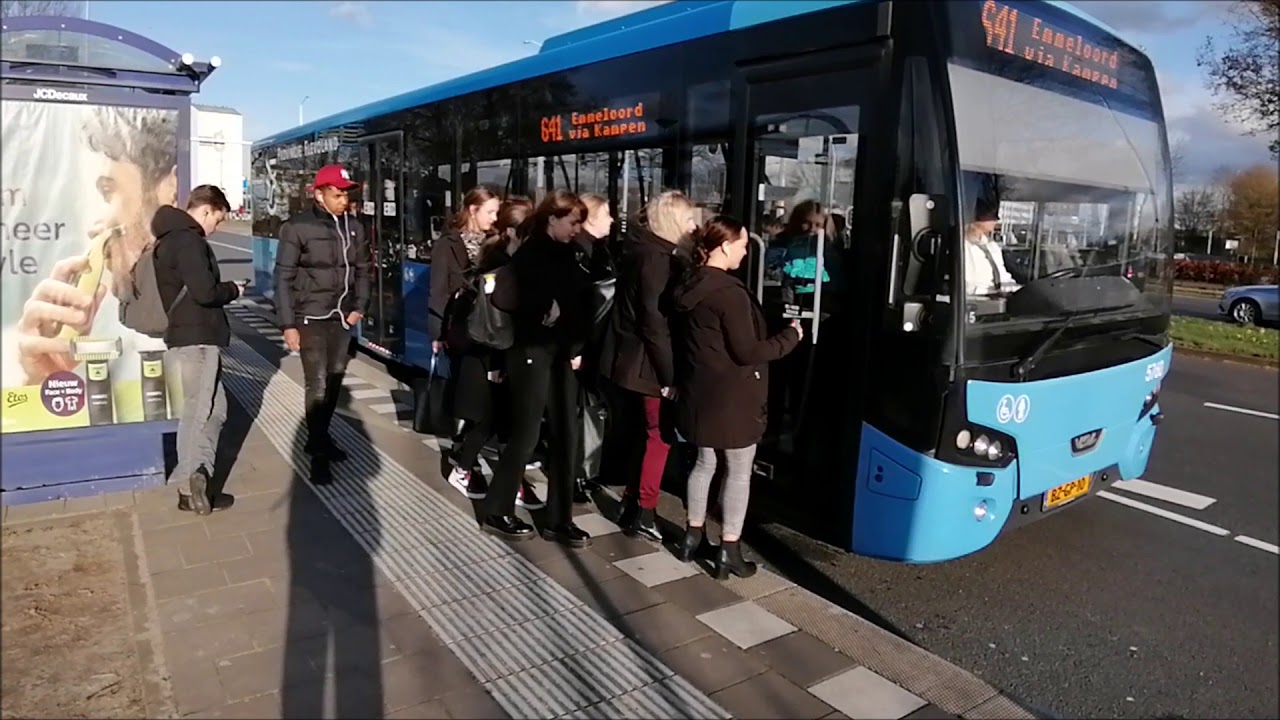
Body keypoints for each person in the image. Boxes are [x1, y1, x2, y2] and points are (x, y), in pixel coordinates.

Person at [672, 215, 802, 578]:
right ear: (725, 246)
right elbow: (747, 351)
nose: (747, 252)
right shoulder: (729, 294)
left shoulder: (688, 284)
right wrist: (791, 337)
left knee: (703, 463)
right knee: (739, 471)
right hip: (734, 397)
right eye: (743, 245)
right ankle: (729, 549)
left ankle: (691, 537)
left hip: (700, 392)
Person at [483, 190, 592, 546]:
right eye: (573, 221)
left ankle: (559, 519)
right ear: (552, 219)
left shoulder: (571, 253)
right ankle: (497, 510)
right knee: (526, 434)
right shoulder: (533, 254)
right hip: (532, 351)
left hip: (561, 353)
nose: (578, 228)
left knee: (566, 436)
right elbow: (526, 301)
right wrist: (548, 308)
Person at [597, 190, 698, 543]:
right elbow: (654, 323)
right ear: (673, 222)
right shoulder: (658, 260)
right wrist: (669, 375)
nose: (694, 226)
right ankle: (645, 511)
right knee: (659, 437)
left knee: (645, 434)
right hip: (648, 365)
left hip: (631, 358)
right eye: (688, 220)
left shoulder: (640, 251)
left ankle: (631, 501)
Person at [274, 165, 372, 482]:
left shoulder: (355, 227)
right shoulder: (297, 228)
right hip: (310, 318)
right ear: (319, 194)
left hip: (342, 319)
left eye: (346, 194)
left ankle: (320, 438)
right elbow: (282, 279)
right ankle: (318, 452)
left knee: (333, 383)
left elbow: (364, 271)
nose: (343, 200)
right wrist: (288, 324)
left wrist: (360, 307)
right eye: (337, 194)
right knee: (316, 385)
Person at [153, 185, 245, 515]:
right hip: (199, 337)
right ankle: (187, 486)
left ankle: (198, 477)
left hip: (185, 335)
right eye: (217, 220)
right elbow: (205, 292)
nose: (216, 228)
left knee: (215, 408)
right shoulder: (188, 240)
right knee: (199, 411)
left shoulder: (167, 239)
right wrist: (234, 289)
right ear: (206, 210)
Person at [440, 187, 512, 502]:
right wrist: (437, 333)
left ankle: (466, 453)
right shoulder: (450, 244)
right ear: (472, 209)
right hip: (462, 331)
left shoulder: (493, 243)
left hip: (482, 333)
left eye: (497, 213)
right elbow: (440, 292)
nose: (494, 218)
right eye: (490, 212)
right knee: (467, 393)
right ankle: (462, 452)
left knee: (481, 401)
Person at [573, 192, 616, 503]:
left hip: (594, 345)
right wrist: (576, 349)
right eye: (607, 215)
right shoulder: (581, 253)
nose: (613, 221)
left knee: (589, 411)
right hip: (583, 346)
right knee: (581, 412)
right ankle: (579, 472)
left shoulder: (597, 250)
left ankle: (585, 470)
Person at [963, 199, 1020, 296]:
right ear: (977, 218)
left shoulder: (992, 246)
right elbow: (965, 284)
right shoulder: (962, 246)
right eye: (992, 216)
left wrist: (1019, 291)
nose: (997, 220)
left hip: (997, 299)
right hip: (976, 300)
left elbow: (1003, 277)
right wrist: (991, 293)